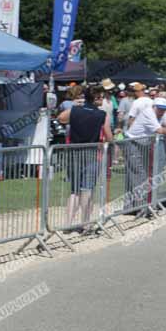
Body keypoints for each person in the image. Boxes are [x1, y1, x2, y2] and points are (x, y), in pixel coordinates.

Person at [57, 86, 113, 229]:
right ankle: (85, 223)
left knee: (74, 190)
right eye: (100, 97)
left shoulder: (75, 110)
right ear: (95, 99)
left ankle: (68, 223)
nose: (102, 99)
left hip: (74, 152)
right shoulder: (101, 115)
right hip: (92, 153)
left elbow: (60, 118)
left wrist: (76, 107)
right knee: (87, 189)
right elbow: (109, 136)